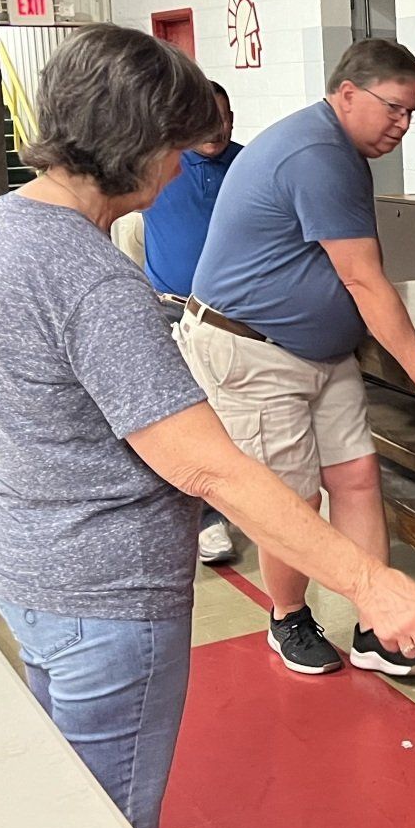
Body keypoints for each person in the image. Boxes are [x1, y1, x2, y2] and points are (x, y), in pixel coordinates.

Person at [0, 25, 415, 828]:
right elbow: (211, 470)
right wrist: (369, 583)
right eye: (174, 146)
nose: (179, 167)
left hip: (30, 563)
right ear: (135, 142)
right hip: (104, 595)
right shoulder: (94, 280)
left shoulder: (4, 229)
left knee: (73, 806)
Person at [180, 38, 415, 680]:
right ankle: (288, 616)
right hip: (254, 348)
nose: (402, 124)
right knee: (291, 498)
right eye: (393, 108)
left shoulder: (341, 148)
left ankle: (376, 625)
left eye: (411, 112)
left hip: (321, 352)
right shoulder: (316, 152)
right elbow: (363, 278)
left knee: (357, 477)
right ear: (348, 94)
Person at [141, 80, 244, 566]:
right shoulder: (159, 166)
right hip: (170, 309)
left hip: (234, 317)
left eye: (224, 117)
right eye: (206, 117)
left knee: (231, 417)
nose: (217, 128)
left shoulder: (250, 166)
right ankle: (203, 521)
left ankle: (233, 508)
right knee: (183, 419)